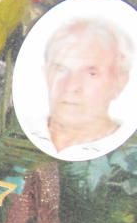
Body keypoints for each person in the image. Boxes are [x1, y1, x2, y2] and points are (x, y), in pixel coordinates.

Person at [31, 18, 134, 160]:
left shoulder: (126, 154)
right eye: (61, 69)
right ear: (46, 73)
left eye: (91, 73)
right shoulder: (20, 131)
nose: (71, 86)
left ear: (120, 82)